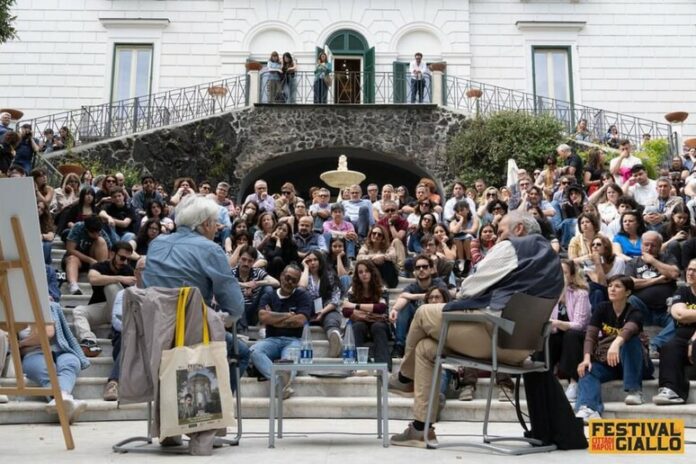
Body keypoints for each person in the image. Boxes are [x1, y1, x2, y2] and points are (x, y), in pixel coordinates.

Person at [388, 212, 564, 447]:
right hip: (523, 348)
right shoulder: (554, 263)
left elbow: (469, 288)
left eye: (500, 231)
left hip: (493, 336)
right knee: (426, 348)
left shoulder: (513, 247)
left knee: (422, 313)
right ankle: (421, 429)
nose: (497, 238)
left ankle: (403, 378)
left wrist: (472, 289)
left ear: (519, 229)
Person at [143, 194, 244, 318]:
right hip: (190, 330)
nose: (217, 229)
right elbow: (235, 307)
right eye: (215, 223)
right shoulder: (211, 250)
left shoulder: (155, 243)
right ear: (206, 224)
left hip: (150, 327)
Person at [575, 276, 653, 421]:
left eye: (617, 286)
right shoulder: (602, 308)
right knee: (586, 369)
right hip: (610, 363)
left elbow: (629, 329)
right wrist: (586, 358)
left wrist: (616, 344)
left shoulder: (635, 311)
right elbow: (591, 335)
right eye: (610, 285)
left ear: (628, 292)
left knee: (630, 341)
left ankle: (634, 391)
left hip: (636, 364)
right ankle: (589, 408)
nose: (612, 289)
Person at [20, 301, 90, 422]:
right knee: (46, 369)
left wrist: (22, 343)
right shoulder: (13, 311)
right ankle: (66, 402)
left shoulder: (47, 306)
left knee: (72, 362)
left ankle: (60, 399)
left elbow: (47, 333)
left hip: (60, 349)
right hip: (33, 354)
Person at [250, 264, 313, 398]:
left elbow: (300, 320)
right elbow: (263, 317)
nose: (289, 282)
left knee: (289, 362)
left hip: (293, 340)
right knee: (254, 351)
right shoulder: (269, 295)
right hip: (271, 340)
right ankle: (280, 382)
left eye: (294, 280)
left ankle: (280, 383)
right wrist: (288, 315)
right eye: (287, 278)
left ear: (297, 283)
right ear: (281, 276)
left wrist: (273, 317)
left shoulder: (303, 296)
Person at [72, 241, 135, 357]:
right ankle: (89, 341)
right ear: (112, 254)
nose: (124, 262)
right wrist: (120, 278)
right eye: (122, 258)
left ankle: (116, 327)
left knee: (114, 288)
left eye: (127, 259)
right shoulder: (100, 266)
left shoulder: (129, 270)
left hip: (121, 312)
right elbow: (93, 279)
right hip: (103, 308)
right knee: (78, 311)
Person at [626, 231, 679, 357]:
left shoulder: (667, 258)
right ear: (641, 245)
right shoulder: (633, 263)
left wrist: (653, 261)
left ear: (660, 246)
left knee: (681, 320)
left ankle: (655, 343)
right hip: (643, 310)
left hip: (666, 310)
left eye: (653, 245)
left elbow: (674, 274)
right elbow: (630, 283)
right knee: (631, 299)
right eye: (646, 245)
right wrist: (658, 279)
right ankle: (638, 342)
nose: (649, 248)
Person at [653, 258, 696, 404]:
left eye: (695, 270)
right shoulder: (683, 290)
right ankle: (671, 390)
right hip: (682, 335)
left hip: (692, 337)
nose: (690, 273)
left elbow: (685, 314)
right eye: (689, 269)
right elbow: (679, 314)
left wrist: (693, 340)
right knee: (669, 347)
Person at [547, 260, 592, 402]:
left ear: (572, 276)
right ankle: (547, 381)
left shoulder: (581, 294)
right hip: (556, 334)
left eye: (564, 273)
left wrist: (556, 323)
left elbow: (579, 325)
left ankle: (574, 383)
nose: (560, 276)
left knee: (571, 335)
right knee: (547, 337)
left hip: (578, 336)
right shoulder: (549, 294)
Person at [389, 255, 449, 358]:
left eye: (425, 267)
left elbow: (445, 298)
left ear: (431, 269)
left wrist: (414, 296)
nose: (421, 269)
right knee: (404, 306)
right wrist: (394, 309)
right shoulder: (413, 287)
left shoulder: (438, 283)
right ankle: (399, 346)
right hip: (416, 323)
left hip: (435, 321)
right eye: (418, 267)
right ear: (414, 272)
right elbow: (402, 299)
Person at [342, 261, 391, 369]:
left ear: (372, 272)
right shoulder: (352, 290)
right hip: (360, 323)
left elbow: (381, 308)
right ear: (357, 275)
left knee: (378, 326)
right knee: (358, 325)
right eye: (360, 272)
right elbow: (345, 310)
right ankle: (360, 365)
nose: (364, 274)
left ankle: (383, 367)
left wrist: (356, 306)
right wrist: (366, 310)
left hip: (379, 322)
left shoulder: (381, 288)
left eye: (367, 271)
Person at [299, 250, 344, 357]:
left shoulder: (330, 275)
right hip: (307, 309)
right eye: (309, 260)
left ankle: (334, 338)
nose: (313, 263)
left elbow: (335, 299)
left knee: (332, 317)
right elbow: (302, 287)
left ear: (320, 261)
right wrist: (305, 268)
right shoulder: (303, 275)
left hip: (327, 308)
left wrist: (322, 312)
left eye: (315, 260)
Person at [231, 245, 279, 331]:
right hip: (238, 313)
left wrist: (257, 283)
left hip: (254, 311)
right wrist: (244, 285)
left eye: (250, 261)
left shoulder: (257, 272)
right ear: (239, 259)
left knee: (268, 288)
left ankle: (264, 325)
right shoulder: (232, 272)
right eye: (244, 259)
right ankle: (242, 330)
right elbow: (225, 284)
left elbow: (276, 283)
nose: (246, 263)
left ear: (254, 262)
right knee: (234, 292)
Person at [62, 216, 111, 295]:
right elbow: (70, 249)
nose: (96, 235)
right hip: (77, 258)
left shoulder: (101, 231)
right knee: (72, 258)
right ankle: (73, 285)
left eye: (97, 232)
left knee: (101, 241)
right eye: (93, 233)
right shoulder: (78, 227)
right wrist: (90, 260)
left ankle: (101, 273)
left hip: (93, 259)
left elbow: (111, 250)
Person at [357, 224, 399, 288]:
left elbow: (393, 256)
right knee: (368, 263)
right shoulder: (366, 247)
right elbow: (359, 257)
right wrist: (373, 257)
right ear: (370, 235)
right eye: (374, 233)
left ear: (383, 238)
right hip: (371, 278)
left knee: (387, 263)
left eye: (379, 235)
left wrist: (383, 257)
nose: (376, 236)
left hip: (389, 279)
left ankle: (384, 284)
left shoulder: (388, 247)